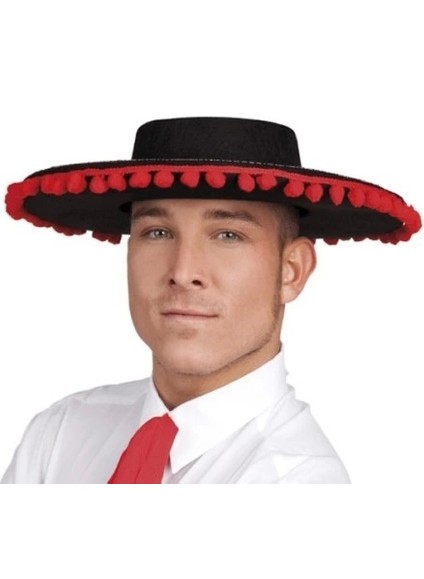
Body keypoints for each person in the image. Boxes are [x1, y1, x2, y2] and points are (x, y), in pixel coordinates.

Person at [1, 117, 421, 484]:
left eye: (228, 235)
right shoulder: (59, 435)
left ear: (291, 271)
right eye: (157, 233)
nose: (183, 272)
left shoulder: (297, 482)